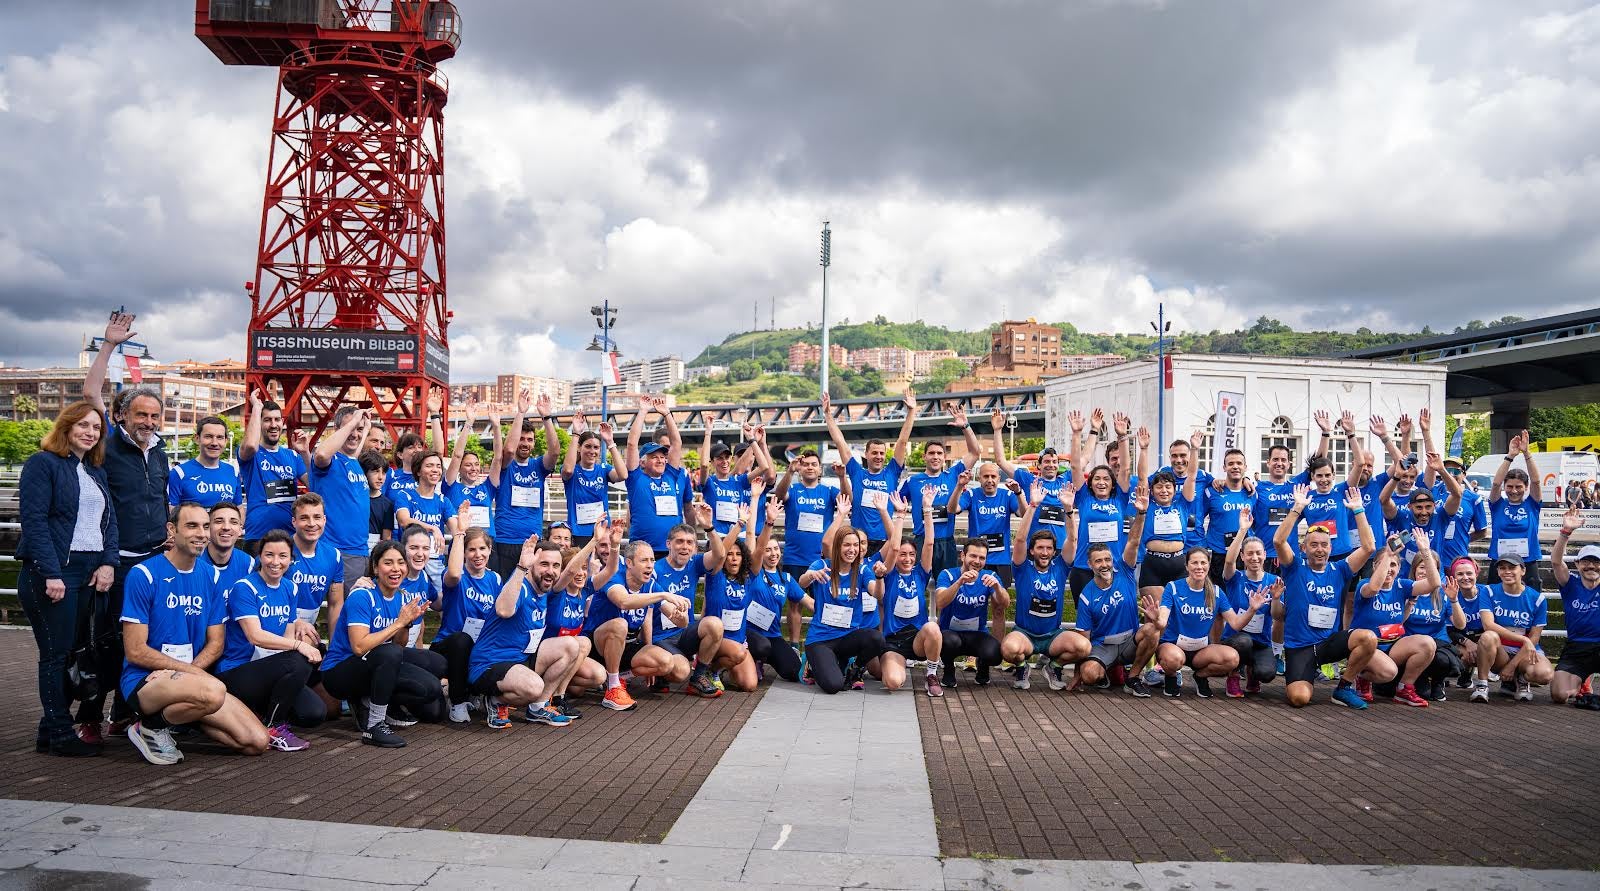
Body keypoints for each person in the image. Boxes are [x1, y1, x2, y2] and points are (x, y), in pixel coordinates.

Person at [77, 309, 168, 745]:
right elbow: (90, 392)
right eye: (141, 416)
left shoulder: (161, 453)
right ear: (123, 416)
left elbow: (161, 498)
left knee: (146, 643)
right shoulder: (108, 444)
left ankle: (124, 712)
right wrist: (109, 344)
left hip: (154, 562)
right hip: (117, 563)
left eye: (154, 416)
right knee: (107, 642)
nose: (148, 423)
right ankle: (91, 715)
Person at [120, 503, 272, 764]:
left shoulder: (211, 576)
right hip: (146, 680)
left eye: (204, 526)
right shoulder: (143, 574)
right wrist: (180, 673)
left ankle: (185, 716)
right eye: (191, 526)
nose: (201, 533)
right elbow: (135, 650)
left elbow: (216, 643)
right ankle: (149, 726)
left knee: (257, 741)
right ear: (172, 530)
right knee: (214, 691)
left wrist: (185, 673)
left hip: (192, 678)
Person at [17, 401, 118, 756]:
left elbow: (109, 523)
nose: (90, 433)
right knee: (55, 654)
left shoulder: (95, 472)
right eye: (84, 425)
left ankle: (49, 729)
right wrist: (51, 572)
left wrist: (108, 562)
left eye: (96, 428)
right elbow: (35, 523)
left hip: (90, 573)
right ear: (66, 426)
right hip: (55, 572)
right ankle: (60, 733)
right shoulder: (42, 464)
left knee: (76, 651)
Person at [319, 540, 447, 747]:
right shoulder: (363, 595)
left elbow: (399, 644)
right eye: (388, 563)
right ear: (375, 568)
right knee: (389, 654)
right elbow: (359, 647)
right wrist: (398, 623)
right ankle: (374, 725)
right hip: (340, 670)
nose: (396, 569)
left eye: (400, 563)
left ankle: (374, 701)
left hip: (375, 661)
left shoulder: (401, 597)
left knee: (435, 671)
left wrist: (406, 624)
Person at [1272, 483, 1386, 709]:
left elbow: (1369, 547)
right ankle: (1306, 674)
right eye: (1313, 545)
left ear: (1331, 549)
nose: (1320, 549)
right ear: (1304, 549)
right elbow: (1278, 541)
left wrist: (1358, 510)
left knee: (1368, 638)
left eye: (1324, 545)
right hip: (1300, 647)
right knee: (1299, 698)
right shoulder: (1295, 568)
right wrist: (1297, 508)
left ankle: (1343, 687)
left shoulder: (1340, 570)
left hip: (1328, 644)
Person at [217, 529, 325, 751]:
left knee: (314, 713)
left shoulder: (290, 588)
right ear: (260, 557)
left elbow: (286, 633)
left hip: (267, 668)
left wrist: (296, 646)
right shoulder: (244, 587)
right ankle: (274, 726)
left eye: (282, 556)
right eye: (269, 555)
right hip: (238, 670)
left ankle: (257, 711)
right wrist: (299, 645)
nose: (276, 562)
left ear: (291, 559)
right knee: (299, 659)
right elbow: (255, 636)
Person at [468, 537, 585, 730]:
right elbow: (504, 610)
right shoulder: (520, 587)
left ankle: (538, 707)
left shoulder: (545, 590)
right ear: (532, 565)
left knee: (572, 645)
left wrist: (596, 540)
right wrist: (521, 567)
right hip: (489, 665)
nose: (551, 570)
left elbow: (571, 570)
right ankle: (496, 701)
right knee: (534, 686)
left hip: (520, 660)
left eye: (556, 565)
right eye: (544, 564)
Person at [584, 539, 694, 710]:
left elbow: (681, 622)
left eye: (652, 560)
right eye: (644, 560)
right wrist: (663, 595)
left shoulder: (650, 586)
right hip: (598, 645)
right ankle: (613, 689)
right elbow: (623, 601)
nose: (650, 566)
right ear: (629, 563)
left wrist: (681, 615)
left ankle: (619, 677)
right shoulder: (613, 577)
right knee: (620, 625)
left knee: (668, 663)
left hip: (627, 645)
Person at [1003, 480, 1090, 691]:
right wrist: (1032, 506)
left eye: (1048, 548)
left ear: (1053, 551)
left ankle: (1054, 666)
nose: (1044, 552)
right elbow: (1021, 539)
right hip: (1025, 634)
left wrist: (1069, 511)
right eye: (1040, 548)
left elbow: (1072, 539)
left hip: (1052, 636)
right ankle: (1023, 667)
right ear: (1032, 551)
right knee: (1008, 648)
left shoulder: (1060, 567)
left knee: (1083, 647)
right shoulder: (1023, 568)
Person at [1073, 485, 1158, 698]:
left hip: (1130, 641)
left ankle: (1134, 677)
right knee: (1090, 675)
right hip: (1103, 646)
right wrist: (1078, 674)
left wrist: (1141, 513)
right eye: (1099, 561)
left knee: (1152, 630)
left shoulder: (1125, 571)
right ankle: (1110, 671)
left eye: (1107, 559)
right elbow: (1083, 639)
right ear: (1090, 564)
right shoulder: (1087, 594)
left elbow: (1134, 541)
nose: (1105, 565)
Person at [797, 502, 889, 695]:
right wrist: (811, 576)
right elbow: (801, 583)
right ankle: (812, 663)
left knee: (877, 639)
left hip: (846, 637)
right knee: (833, 686)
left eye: (855, 545)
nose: (852, 550)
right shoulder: (822, 565)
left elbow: (878, 594)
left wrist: (880, 577)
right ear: (838, 546)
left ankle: (855, 669)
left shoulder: (862, 571)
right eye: (847, 545)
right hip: (821, 639)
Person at [1351, 531, 1441, 707]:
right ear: (1375, 566)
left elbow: (1434, 584)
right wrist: (1389, 554)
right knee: (1388, 672)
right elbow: (1374, 587)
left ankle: (1404, 690)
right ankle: (1360, 676)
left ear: (1399, 569)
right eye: (1385, 564)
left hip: (1391, 644)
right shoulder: (1365, 585)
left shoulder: (1402, 586)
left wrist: (1425, 552)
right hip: (1365, 647)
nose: (1389, 569)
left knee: (1428, 644)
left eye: (1394, 564)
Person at [431, 502, 502, 723]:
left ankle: (484, 695)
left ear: (490, 550)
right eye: (472, 549)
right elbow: (453, 572)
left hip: (477, 647)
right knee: (462, 640)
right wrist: (459, 532)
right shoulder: (456, 574)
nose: (477, 554)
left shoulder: (495, 579)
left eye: (482, 549)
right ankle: (458, 702)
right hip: (448, 646)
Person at [867, 490, 942, 695]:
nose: (907, 559)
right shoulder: (889, 573)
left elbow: (929, 543)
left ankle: (931, 674)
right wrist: (899, 515)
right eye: (903, 555)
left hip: (917, 637)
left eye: (911, 555)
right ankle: (881, 662)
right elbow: (892, 547)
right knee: (892, 682)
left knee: (933, 628)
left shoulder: (921, 572)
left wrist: (927, 508)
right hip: (894, 640)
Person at [649, 503, 729, 697]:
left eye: (689, 543)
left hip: (684, 632)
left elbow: (720, 555)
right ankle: (661, 671)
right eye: (679, 542)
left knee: (715, 625)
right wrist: (648, 647)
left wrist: (709, 528)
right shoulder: (654, 570)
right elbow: (648, 612)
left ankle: (698, 678)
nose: (685, 547)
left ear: (694, 547)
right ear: (668, 544)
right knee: (680, 672)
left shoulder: (694, 563)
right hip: (660, 637)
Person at [1152, 549, 1253, 699]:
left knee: (1232, 659)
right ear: (1186, 566)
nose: (1199, 567)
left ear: (1208, 565)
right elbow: (1162, 621)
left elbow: (1236, 624)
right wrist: (1155, 618)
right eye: (1194, 563)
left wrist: (1252, 609)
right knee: (1173, 659)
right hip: (1173, 646)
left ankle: (1200, 676)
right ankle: (1171, 676)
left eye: (1203, 562)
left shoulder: (1216, 592)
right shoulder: (1173, 587)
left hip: (1201, 651)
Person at [898, 404, 982, 578]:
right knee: (918, 585)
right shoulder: (913, 481)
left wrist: (966, 426)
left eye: (939, 453)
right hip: (921, 540)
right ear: (924, 456)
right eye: (931, 453)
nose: (935, 457)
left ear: (944, 457)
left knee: (948, 586)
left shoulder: (952, 475)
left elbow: (975, 452)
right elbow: (896, 503)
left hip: (946, 542)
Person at [825, 389, 914, 550]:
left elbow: (902, 441)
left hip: (885, 541)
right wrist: (828, 415)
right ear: (866, 454)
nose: (878, 456)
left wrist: (911, 412)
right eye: (874, 453)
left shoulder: (892, 472)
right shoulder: (857, 472)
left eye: (881, 453)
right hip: (858, 541)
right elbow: (840, 442)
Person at [774, 447, 843, 646]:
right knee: (795, 604)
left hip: (821, 559)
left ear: (820, 469)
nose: (810, 468)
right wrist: (789, 472)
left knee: (824, 602)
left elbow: (848, 499)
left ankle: (820, 643)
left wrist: (842, 477)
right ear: (800, 468)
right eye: (805, 465)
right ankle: (795, 645)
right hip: (795, 558)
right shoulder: (793, 489)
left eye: (814, 464)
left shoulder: (828, 491)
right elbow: (778, 496)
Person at [310, 405, 377, 592]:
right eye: (350, 427)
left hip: (360, 553)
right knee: (346, 613)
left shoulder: (352, 461)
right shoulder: (330, 462)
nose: (355, 433)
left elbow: (353, 450)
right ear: (337, 430)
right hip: (340, 551)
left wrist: (365, 430)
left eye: (359, 429)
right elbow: (323, 453)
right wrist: (355, 422)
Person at [494, 391, 561, 577]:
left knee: (530, 592)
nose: (525, 443)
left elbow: (555, 452)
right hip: (505, 539)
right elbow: (508, 450)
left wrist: (546, 417)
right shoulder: (504, 465)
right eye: (521, 439)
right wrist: (521, 412)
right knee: (506, 592)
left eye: (529, 439)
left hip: (532, 541)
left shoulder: (538, 466)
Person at [1066, 415, 1135, 596]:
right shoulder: (1084, 499)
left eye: (1106, 479)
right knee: (1086, 620)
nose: (1101, 482)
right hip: (1084, 566)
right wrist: (1076, 433)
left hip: (1113, 567)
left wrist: (1122, 437)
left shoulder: (1120, 498)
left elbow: (1125, 469)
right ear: (1090, 483)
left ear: (1113, 483)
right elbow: (1075, 467)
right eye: (1097, 478)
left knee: (1111, 617)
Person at [744, 502, 810, 684]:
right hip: (748, 633)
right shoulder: (753, 572)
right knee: (761, 646)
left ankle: (763, 658)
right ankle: (751, 660)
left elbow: (808, 602)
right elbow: (752, 538)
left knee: (793, 671)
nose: (773, 553)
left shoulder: (787, 578)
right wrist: (758, 503)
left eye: (776, 549)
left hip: (772, 635)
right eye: (767, 550)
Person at [1472, 557, 1554, 703]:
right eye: (1502, 568)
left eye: (1512, 568)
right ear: (1497, 571)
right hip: (1500, 650)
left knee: (1545, 674)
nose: (1507, 572)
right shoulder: (1489, 591)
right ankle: (1482, 686)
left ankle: (1520, 679)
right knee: (1488, 636)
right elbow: (1488, 625)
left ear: (1523, 571)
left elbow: (1534, 637)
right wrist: (1523, 639)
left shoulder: (1537, 599)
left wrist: (1512, 665)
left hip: (1524, 651)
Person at [991, 409, 1074, 553]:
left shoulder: (1065, 480)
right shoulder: (1029, 479)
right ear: (1039, 465)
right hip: (1035, 546)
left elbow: (1081, 462)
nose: (1051, 465)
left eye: (1054, 462)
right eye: (1047, 461)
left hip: (1060, 546)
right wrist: (997, 430)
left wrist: (1084, 433)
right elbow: (1001, 461)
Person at [1218, 513, 1282, 697]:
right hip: (1236, 638)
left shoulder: (1274, 581)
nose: (1254, 557)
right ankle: (1234, 675)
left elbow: (1278, 616)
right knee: (1244, 641)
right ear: (1243, 557)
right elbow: (1229, 561)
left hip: (1261, 642)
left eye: (1258, 553)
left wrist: (1276, 598)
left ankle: (1253, 673)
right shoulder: (1235, 578)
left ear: (1265, 555)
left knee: (1267, 673)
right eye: (1250, 554)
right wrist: (1243, 530)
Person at [702, 503, 762, 691]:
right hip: (713, 640)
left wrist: (756, 500)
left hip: (738, 641)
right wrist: (739, 524)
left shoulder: (747, 578)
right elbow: (719, 554)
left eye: (738, 554)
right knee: (738, 653)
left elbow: (753, 542)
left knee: (750, 685)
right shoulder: (716, 575)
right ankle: (709, 669)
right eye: (730, 554)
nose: (734, 558)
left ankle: (719, 668)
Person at [238, 391, 308, 553]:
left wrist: (305, 453)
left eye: (277, 419)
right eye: (267, 420)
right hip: (258, 536)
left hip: (290, 536)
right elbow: (249, 446)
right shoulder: (251, 454)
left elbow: (315, 484)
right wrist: (256, 407)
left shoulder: (292, 455)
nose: (273, 424)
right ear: (259, 422)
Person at [933, 538, 1008, 689]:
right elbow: (940, 602)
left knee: (995, 654)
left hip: (977, 634)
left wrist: (997, 587)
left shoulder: (989, 576)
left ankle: (983, 666)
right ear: (962, 556)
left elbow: (1004, 604)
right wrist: (959, 582)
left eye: (982, 558)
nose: (977, 561)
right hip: (951, 633)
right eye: (973, 556)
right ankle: (948, 669)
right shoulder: (947, 574)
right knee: (948, 641)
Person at [624, 395, 692, 558]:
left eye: (663, 456)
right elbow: (632, 444)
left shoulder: (670, 475)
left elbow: (677, 444)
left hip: (672, 549)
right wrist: (642, 411)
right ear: (642, 462)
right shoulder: (636, 478)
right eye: (654, 457)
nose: (660, 460)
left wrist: (667, 414)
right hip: (642, 550)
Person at [1550, 507, 1600, 704]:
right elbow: (1555, 562)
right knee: (1559, 695)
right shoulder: (1570, 584)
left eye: (1596, 562)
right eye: (1586, 562)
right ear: (1577, 565)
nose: (1591, 566)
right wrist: (1565, 532)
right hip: (1577, 648)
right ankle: (1583, 681)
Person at [946, 463, 1023, 588]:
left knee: (1000, 601)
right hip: (976, 559)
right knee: (973, 598)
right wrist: (960, 486)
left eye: (993, 476)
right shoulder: (972, 494)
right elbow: (952, 509)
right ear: (979, 478)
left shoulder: (1007, 495)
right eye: (986, 476)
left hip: (1001, 560)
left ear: (999, 478)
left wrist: (1018, 493)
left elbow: (1024, 513)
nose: (990, 480)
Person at [1402, 569, 1469, 703]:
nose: (1425, 571)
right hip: (1411, 645)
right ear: (1414, 570)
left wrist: (1454, 600)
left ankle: (1438, 682)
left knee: (1443, 660)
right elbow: (1398, 622)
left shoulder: (1443, 594)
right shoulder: (1405, 590)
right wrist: (1409, 603)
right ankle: (1420, 678)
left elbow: (1460, 625)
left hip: (1438, 643)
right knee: (1423, 693)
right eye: (1422, 567)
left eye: (1430, 568)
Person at [561, 411, 627, 545]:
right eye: (588, 446)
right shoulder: (573, 470)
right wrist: (576, 434)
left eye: (596, 447)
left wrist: (610, 442)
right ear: (580, 448)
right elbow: (567, 470)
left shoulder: (603, 469)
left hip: (602, 531)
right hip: (579, 532)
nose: (592, 451)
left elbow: (623, 475)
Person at [1488, 430, 1543, 586]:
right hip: (1500, 562)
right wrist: (1510, 456)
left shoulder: (1532, 504)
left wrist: (1526, 453)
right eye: (1510, 486)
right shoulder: (1497, 504)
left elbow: (1536, 482)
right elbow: (1496, 483)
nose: (1514, 490)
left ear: (1525, 487)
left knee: (1529, 603)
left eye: (1518, 487)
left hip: (1527, 562)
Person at [443, 401, 503, 542]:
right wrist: (469, 422)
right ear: (460, 468)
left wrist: (496, 426)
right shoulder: (451, 487)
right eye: (468, 465)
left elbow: (498, 458)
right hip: (462, 542)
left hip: (485, 545)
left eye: (476, 464)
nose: (474, 468)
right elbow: (457, 455)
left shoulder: (487, 487)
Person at [392, 450, 450, 590]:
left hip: (435, 561)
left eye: (438, 466)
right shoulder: (405, 495)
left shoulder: (443, 500)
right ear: (418, 471)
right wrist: (432, 528)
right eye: (429, 465)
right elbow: (404, 520)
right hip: (410, 560)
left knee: (443, 603)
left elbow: (455, 528)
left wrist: (462, 524)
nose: (435, 469)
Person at [287, 493, 343, 632]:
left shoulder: (334, 556)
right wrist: (294, 622)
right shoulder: (277, 551)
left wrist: (334, 649)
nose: (311, 524)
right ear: (294, 522)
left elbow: (335, 605)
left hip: (307, 630)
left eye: (317, 517)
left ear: (324, 520)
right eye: (304, 518)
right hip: (274, 626)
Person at [1203, 448, 1256, 584]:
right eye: (1231, 464)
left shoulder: (1252, 492)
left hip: (1244, 554)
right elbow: (1198, 519)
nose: (1235, 467)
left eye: (1239, 463)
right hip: (1218, 554)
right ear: (1224, 467)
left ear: (1245, 467)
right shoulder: (1212, 492)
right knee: (1220, 598)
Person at [167, 416, 240, 509]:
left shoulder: (232, 472)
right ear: (197, 438)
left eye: (220, 437)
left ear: (226, 441)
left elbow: (239, 508)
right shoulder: (179, 473)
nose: (214, 442)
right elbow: (171, 512)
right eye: (208, 436)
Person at [199, 501, 256, 603]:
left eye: (233, 522)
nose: (226, 527)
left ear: (240, 529)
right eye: (219, 521)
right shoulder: (193, 562)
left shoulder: (249, 564)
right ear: (208, 528)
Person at [360, 448, 396, 553]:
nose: (380, 477)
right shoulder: (355, 499)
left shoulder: (387, 504)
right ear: (363, 472)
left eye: (384, 473)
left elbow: (386, 537)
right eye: (375, 471)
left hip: (374, 553)